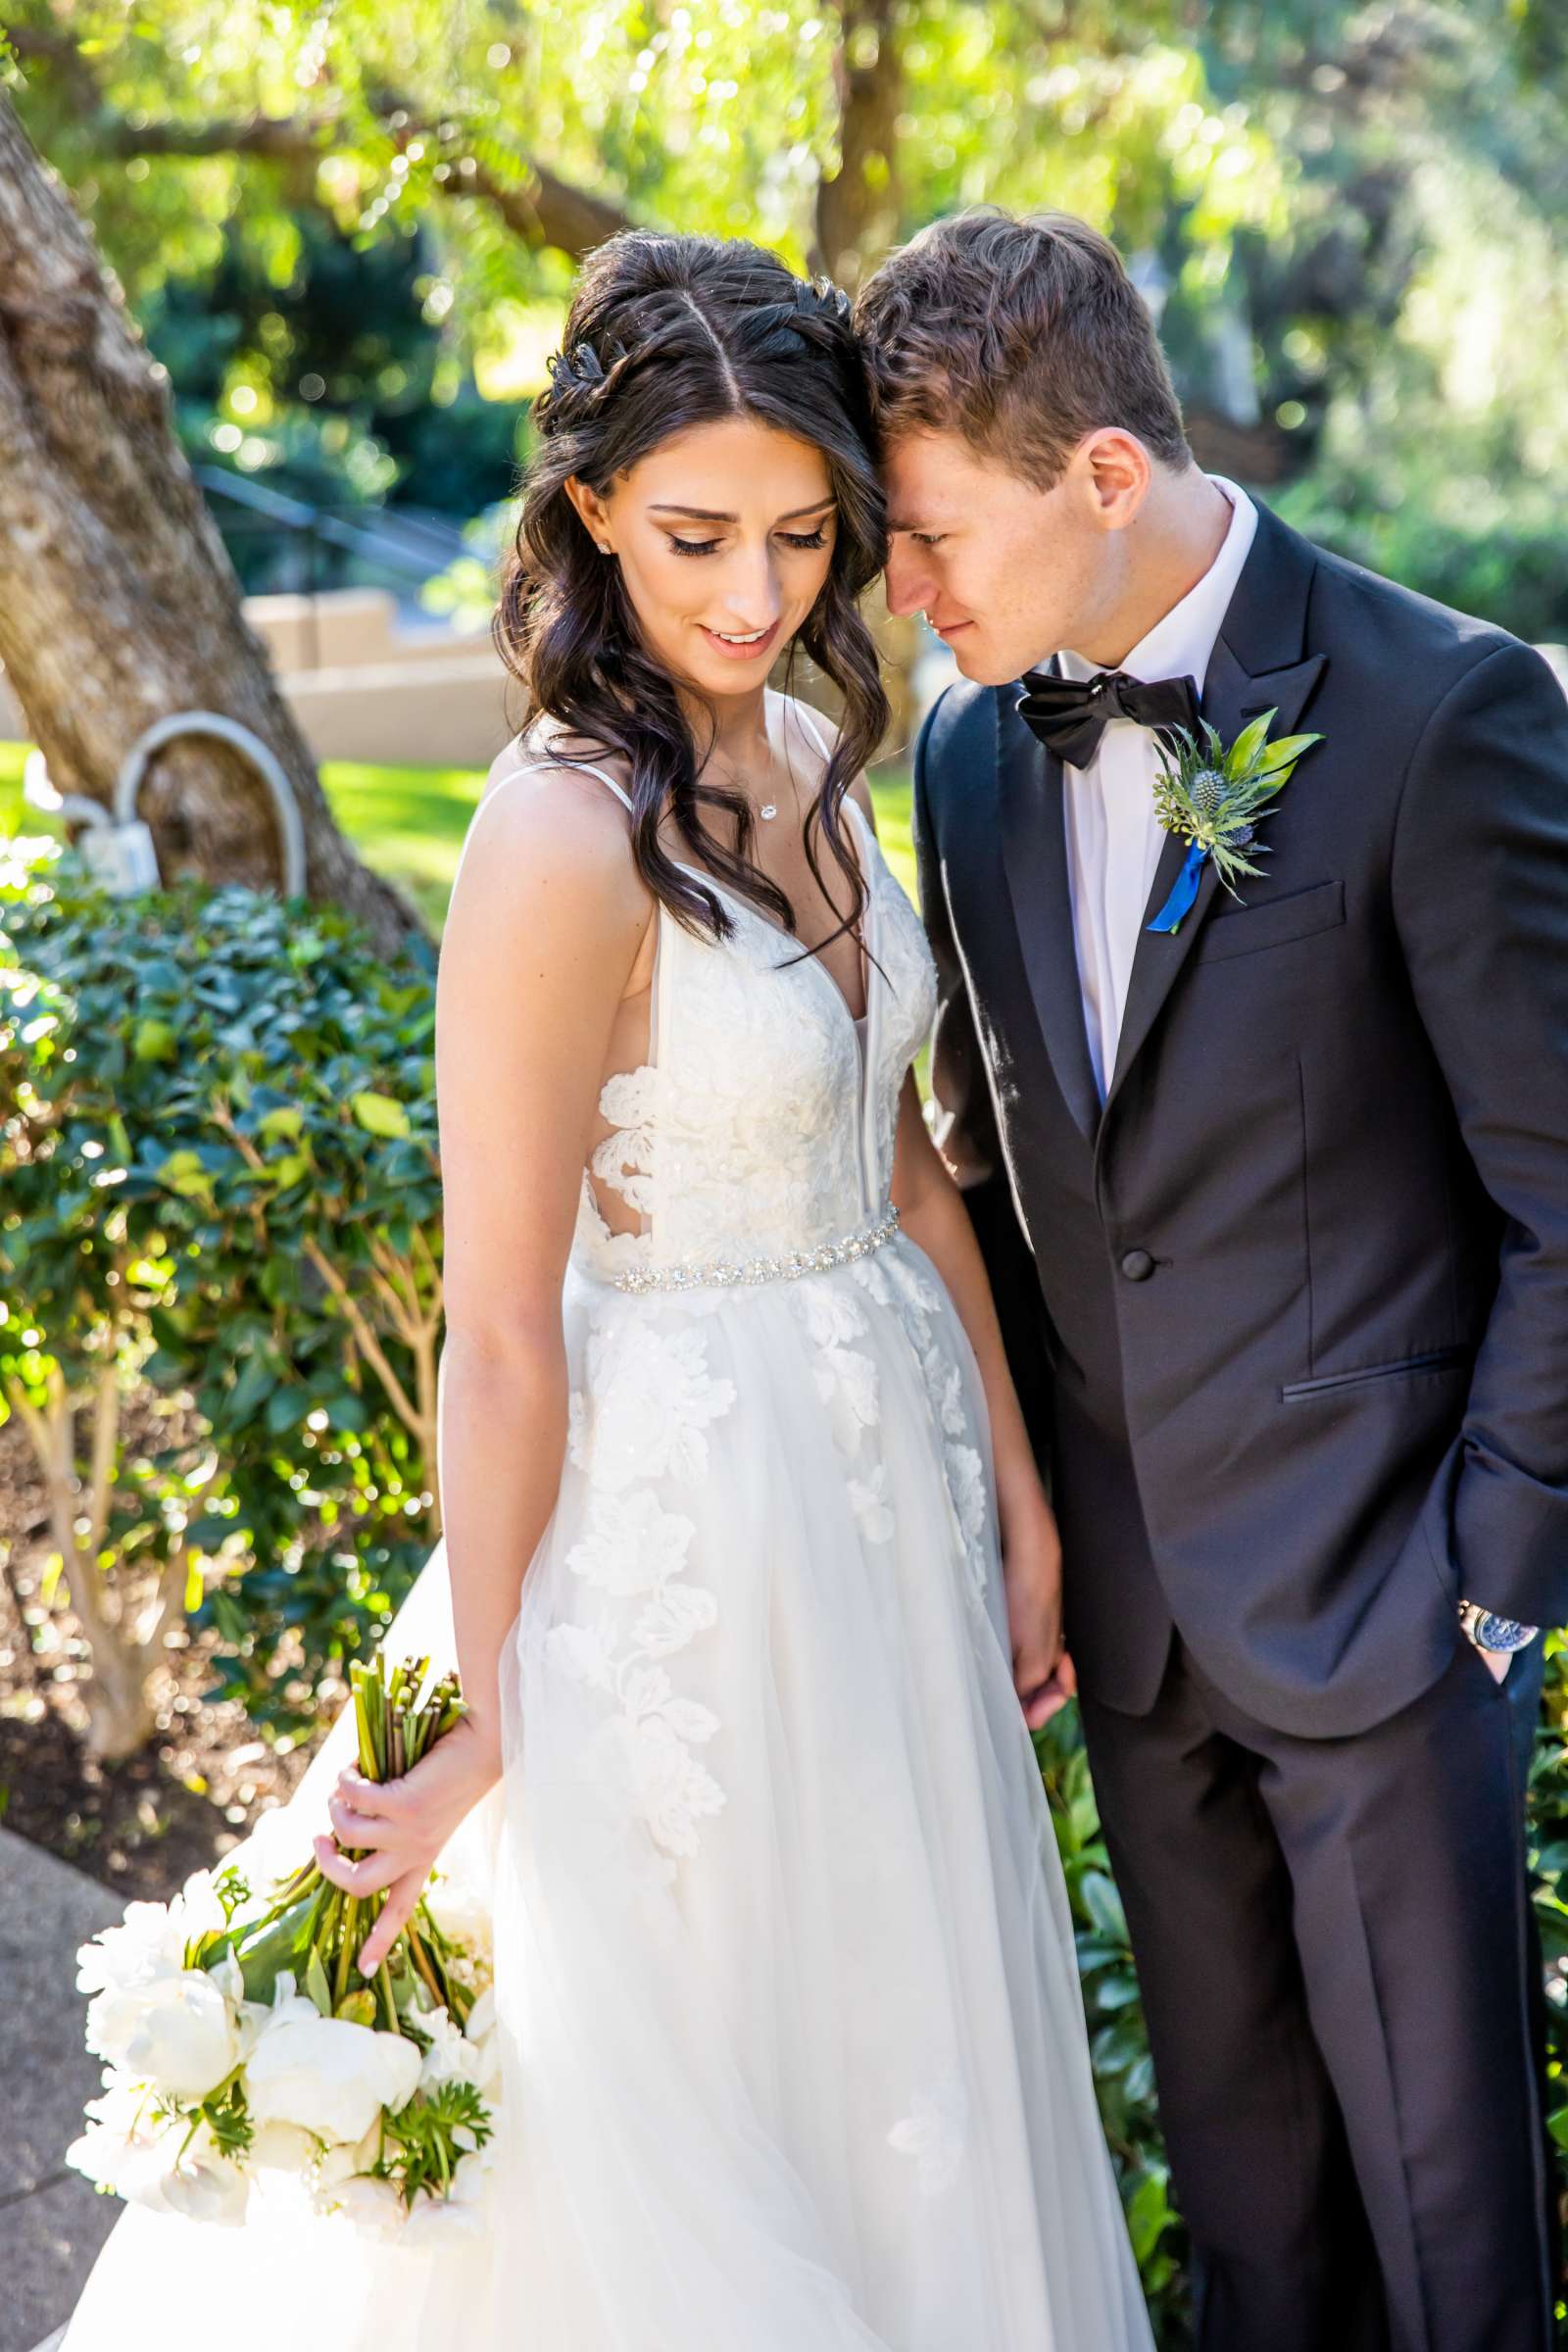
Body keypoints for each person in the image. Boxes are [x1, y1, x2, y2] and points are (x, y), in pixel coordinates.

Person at [59, 228, 1152, 2351]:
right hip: (677, 1545)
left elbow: (911, 1168)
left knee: (902, 2077)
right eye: (690, 539)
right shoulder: (553, 840)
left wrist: (1015, 1503)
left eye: (801, 536)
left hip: (886, 1523)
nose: (752, 597)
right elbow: (495, 1324)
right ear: (583, 512)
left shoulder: (823, 769)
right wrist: (486, 1701)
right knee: (677, 2119)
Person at [855, 204, 1567, 2352]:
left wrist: (1485, 1584)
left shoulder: (1441, 714)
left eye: (925, 535)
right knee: (1250, 2255)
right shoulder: (969, 759)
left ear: (1095, 477)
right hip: (1146, 1654)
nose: (900, 593)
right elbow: (1009, 1163)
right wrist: (1033, 1525)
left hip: (1385, 1630)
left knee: (1451, 2274)